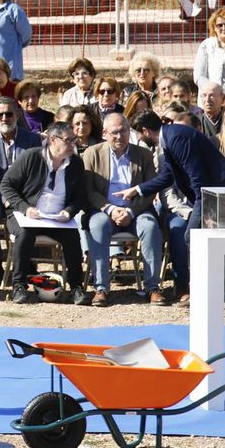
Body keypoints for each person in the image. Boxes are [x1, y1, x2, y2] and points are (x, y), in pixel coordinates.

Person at [126, 102, 225, 316]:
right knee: (212, 240)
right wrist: (138, 189)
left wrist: (205, 210)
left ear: (145, 131)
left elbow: (197, 177)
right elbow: (168, 176)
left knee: (197, 237)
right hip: (213, 192)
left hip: (217, 192)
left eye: (139, 134)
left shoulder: (175, 138)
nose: (139, 139)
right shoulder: (170, 137)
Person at [1, 123, 90, 305]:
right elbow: (6, 185)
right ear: (52, 140)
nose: (73, 144)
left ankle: (76, 287)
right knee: (24, 234)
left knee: (73, 237)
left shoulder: (76, 163)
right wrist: (25, 208)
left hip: (57, 218)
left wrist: (69, 211)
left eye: (74, 140)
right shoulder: (31, 157)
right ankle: (18, 286)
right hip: (27, 215)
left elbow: (81, 196)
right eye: (68, 140)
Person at [82, 113, 164, 306]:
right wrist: (110, 209)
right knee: (98, 226)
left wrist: (131, 212)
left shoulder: (142, 154)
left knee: (150, 226)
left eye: (124, 131)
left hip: (137, 210)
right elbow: (88, 190)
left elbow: (150, 189)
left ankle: (153, 287)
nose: (120, 136)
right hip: (104, 210)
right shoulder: (92, 154)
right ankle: (101, 287)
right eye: (115, 132)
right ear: (104, 133)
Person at [0, 96, 42, 286]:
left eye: (9, 114)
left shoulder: (32, 140)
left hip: (25, 196)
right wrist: (5, 197)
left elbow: (37, 174)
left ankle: (29, 261)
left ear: (18, 114)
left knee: (32, 212)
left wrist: (19, 199)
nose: (4, 118)